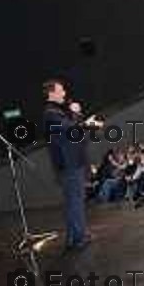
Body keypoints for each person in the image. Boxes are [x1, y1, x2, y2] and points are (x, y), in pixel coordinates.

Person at [43, 79, 101, 251]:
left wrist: (82, 121)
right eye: (61, 90)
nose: (64, 93)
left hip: (70, 163)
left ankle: (73, 236)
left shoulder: (55, 112)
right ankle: (79, 237)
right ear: (51, 93)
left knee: (73, 201)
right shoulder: (51, 113)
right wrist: (76, 115)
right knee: (75, 201)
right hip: (70, 164)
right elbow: (71, 131)